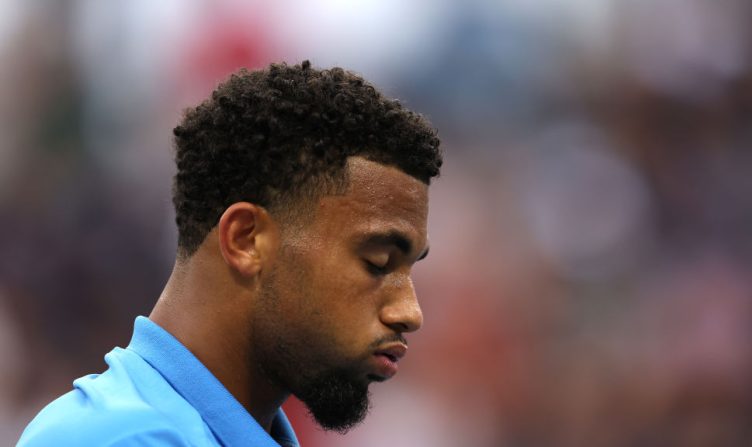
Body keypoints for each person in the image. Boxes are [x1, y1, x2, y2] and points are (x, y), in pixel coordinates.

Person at [17, 60, 442, 446]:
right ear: (246, 240)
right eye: (378, 263)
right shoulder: (118, 439)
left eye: (409, 269)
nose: (410, 312)